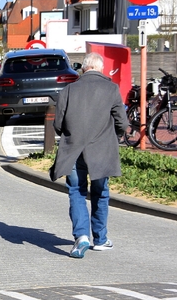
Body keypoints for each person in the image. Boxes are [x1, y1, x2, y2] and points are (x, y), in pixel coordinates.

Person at [49, 52, 127, 259]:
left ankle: (81, 237)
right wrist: (113, 136)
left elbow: (57, 124)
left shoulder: (68, 90)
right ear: (101, 69)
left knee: (76, 192)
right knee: (100, 192)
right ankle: (100, 239)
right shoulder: (111, 89)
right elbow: (123, 123)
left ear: (84, 69)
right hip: (101, 150)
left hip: (73, 150)